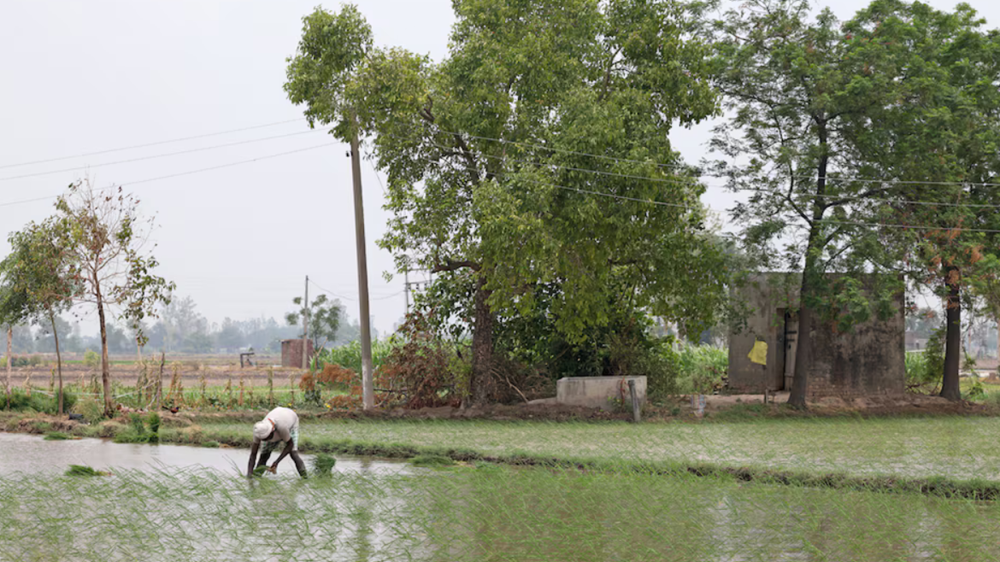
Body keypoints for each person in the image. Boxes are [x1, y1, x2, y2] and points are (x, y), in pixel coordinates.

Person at [247, 406, 307, 478]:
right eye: (263, 439)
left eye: (267, 438)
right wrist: (249, 474)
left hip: (290, 423)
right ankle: (256, 477)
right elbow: (253, 454)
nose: (265, 441)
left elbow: (290, 444)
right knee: (264, 455)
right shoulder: (258, 430)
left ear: (271, 431)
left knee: (293, 453)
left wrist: (277, 462)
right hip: (278, 419)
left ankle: (305, 479)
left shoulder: (282, 426)